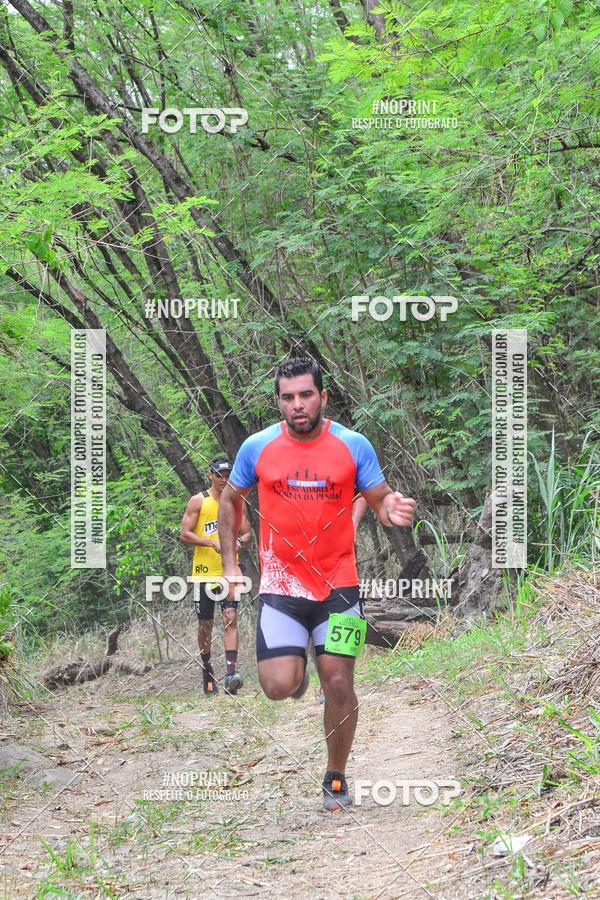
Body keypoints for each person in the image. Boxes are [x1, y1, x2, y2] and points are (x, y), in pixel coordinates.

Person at [218, 357, 416, 810]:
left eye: (306, 395)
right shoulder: (257, 447)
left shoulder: (353, 445)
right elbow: (231, 500)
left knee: (340, 682)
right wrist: (231, 564)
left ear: (323, 397)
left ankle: (336, 777)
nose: (298, 405)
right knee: (277, 686)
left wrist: (394, 510)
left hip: (339, 587)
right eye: (288, 397)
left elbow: (380, 500)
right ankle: (297, 665)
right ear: (279, 403)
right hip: (282, 588)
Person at [180, 457, 251, 696]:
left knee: (230, 619)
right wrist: (209, 542)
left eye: (228, 475)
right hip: (203, 574)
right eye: (220, 475)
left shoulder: (236, 501)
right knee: (205, 625)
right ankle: (207, 669)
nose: (225, 479)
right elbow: (185, 534)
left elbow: (248, 533)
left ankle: (231, 674)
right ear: (210, 475)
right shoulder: (199, 501)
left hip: (229, 572)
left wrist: (239, 542)